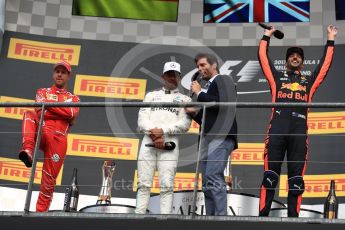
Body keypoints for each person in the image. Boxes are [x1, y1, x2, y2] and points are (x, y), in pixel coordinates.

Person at [258, 25, 338, 217]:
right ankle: (262, 217)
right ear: (286, 61)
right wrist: (266, 35)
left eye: (299, 56)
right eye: (292, 55)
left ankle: (294, 219)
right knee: (270, 176)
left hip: (299, 133)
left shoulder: (309, 82)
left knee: (296, 179)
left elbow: (324, 66)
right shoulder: (276, 79)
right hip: (276, 129)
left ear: (302, 62)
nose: (295, 57)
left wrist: (330, 39)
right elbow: (263, 58)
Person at [18, 60, 80, 212]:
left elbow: (72, 112)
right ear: (53, 74)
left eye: (63, 72)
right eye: (57, 71)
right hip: (43, 132)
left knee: (48, 182)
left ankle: (39, 215)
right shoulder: (42, 91)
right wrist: (62, 111)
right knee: (29, 113)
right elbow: (39, 109)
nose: (59, 74)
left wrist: (48, 106)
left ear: (68, 76)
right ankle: (28, 151)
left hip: (58, 139)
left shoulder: (74, 98)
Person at [135, 61, 192, 214]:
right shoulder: (151, 96)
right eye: (169, 74)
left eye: (175, 75)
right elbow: (141, 121)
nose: (172, 78)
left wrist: (162, 131)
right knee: (143, 183)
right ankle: (137, 219)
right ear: (163, 76)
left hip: (170, 145)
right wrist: (155, 135)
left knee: (167, 185)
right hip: (148, 142)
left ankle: (164, 220)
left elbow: (185, 125)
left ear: (180, 77)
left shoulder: (185, 100)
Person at [186, 53, 238, 216]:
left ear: (214, 65)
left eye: (203, 65)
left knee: (213, 176)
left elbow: (222, 104)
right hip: (207, 137)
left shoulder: (224, 80)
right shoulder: (209, 87)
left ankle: (221, 218)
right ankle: (210, 217)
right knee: (207, 182)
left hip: (221, 137)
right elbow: (209, 118)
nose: (200, 69)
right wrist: (194, 113)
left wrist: (199, 92)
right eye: (198, 66)